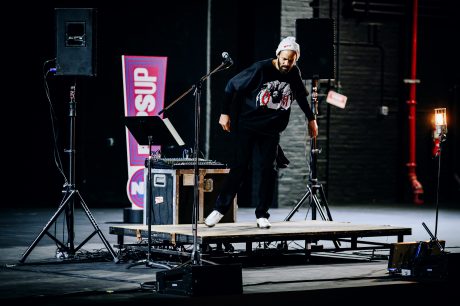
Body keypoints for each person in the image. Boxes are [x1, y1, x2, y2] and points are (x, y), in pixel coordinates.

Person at [204, 36, 318, 229]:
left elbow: (300, 96)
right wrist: (224, 113)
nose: (286, 63)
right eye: (284, 59)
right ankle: (219, 210)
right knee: (239, 168)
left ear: (295, 59)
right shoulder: (260, 68)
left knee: (268, 170)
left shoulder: (293, 73)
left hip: (271, 129)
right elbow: (231, 86)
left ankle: (262, 214)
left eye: (291, 60)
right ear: (278, 55)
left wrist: (311, 119)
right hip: (248, 125)